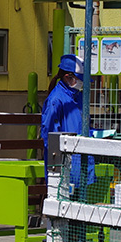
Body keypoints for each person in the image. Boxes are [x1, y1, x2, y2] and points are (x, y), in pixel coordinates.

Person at [41, 54, 91, 187]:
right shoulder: (56, 100)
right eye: (79, 80)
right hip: (67, 166)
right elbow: (50, 137)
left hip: (80, 161)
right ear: (68, 77)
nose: (81, 84)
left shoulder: (77, 96)